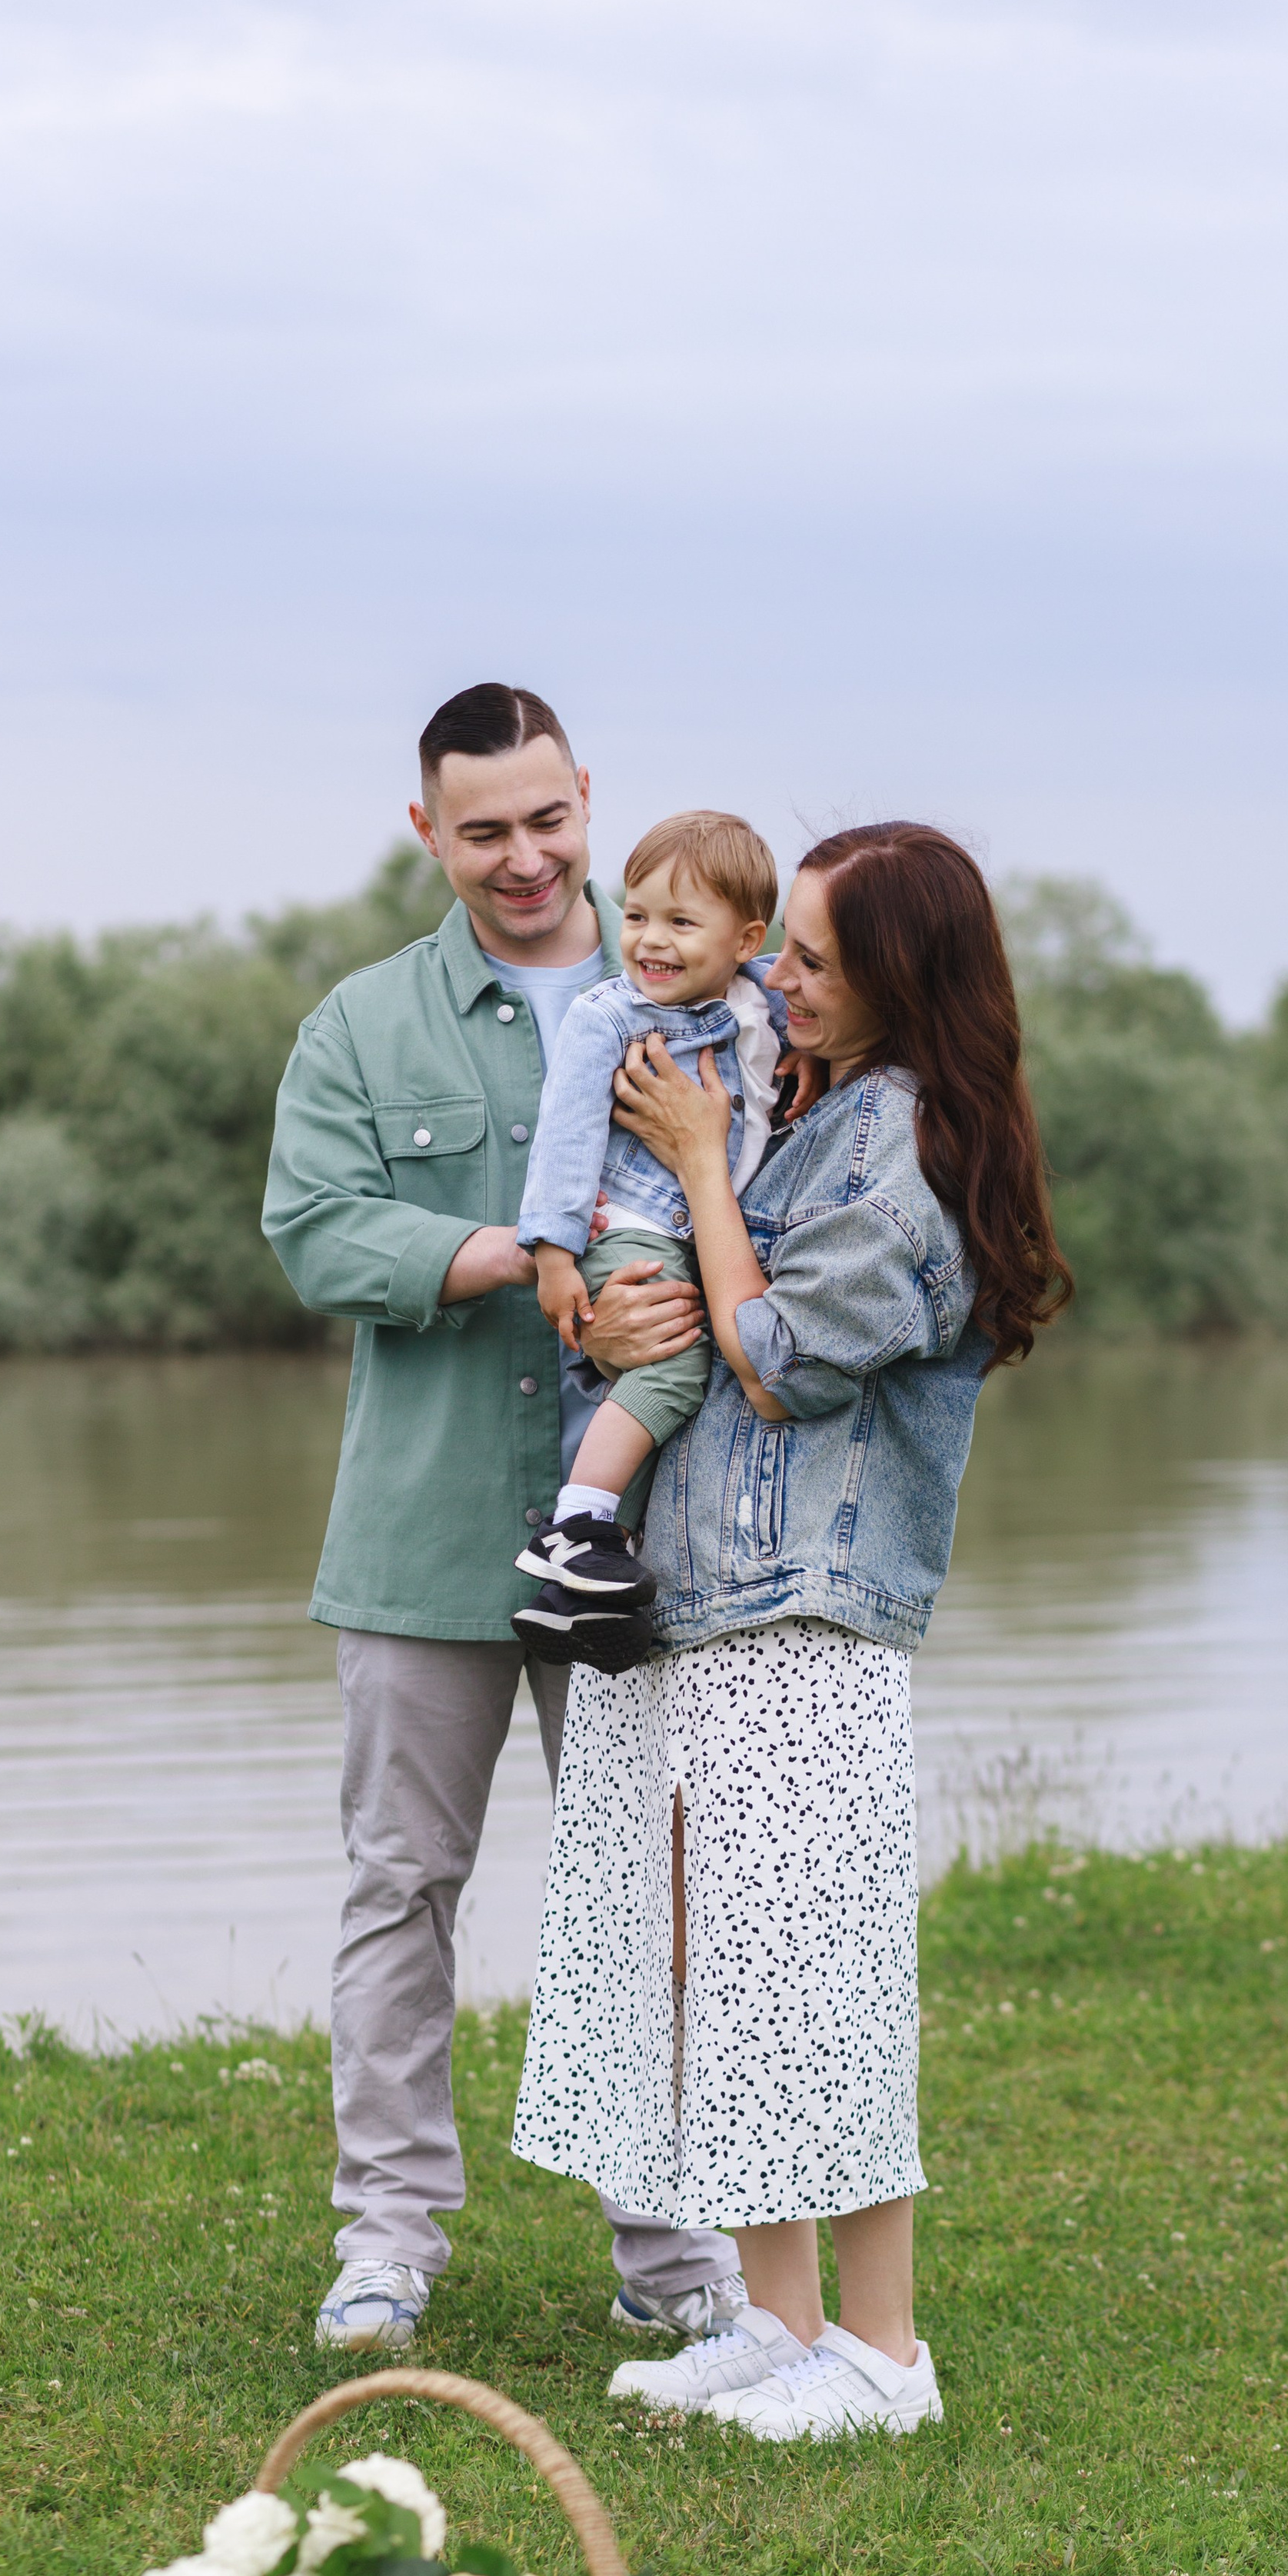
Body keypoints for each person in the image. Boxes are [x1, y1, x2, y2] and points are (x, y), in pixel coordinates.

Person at [511, 821, 1072, 2439]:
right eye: (790, 950)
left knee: (811, 1975)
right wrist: (611, 1291)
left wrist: (695, 1164)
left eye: (815, 957)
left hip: (804, 1619)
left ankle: (884, 2358)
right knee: (712, 1968)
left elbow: (774, 1357)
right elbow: (684, 1310)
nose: (782, 978)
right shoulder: (796, 1090)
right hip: (702, 1599)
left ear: (899, 973)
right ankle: (776, 2322)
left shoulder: (902, 1145)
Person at [262, 681, 746, 2355]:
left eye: (549, 820)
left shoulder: (705, 983)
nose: (527, 857)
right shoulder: (358, 1026)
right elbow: (317, 1232)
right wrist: (523, 1264)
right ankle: (385, 2243)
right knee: (402, 1887)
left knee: (648, 1891)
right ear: (429, 834)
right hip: (419, 1541)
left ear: (585, 799)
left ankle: (674, 2254)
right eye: (485, 831)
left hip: (654, 1533)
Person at [511, 811, 787, 1658]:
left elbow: (826, 983)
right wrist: (552, 1255)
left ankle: (579, 1592)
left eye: (680, 921)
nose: (650, 942)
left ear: (744, 939)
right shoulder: (611, 1017)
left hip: (701, 1232)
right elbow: (563, 1139)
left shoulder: (761, 997)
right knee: (675, 1368)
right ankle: (578, 1526)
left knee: (687, 1377)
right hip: (633, 1227)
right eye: (635, 916)